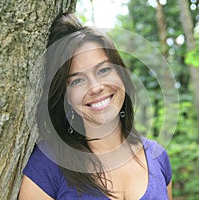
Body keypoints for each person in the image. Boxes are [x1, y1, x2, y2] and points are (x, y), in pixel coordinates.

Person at [19, 12, 172, 200]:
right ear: (66, 96)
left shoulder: (158, 157)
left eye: (104, 70)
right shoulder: (47, 165)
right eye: (77, 81)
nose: (96, 87)